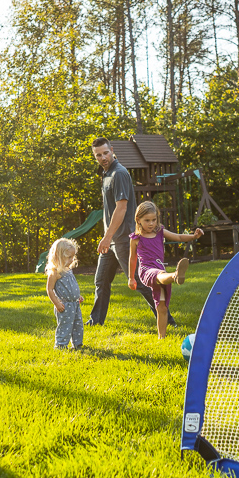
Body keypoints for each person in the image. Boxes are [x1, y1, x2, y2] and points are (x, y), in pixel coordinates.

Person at [86, 138, 176, 327]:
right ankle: (96, 321)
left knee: (141, 282)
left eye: (105, 153)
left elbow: (122, 208)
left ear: (112, 150)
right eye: (98, 155)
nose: (103, 157)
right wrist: (108, 238)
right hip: (112, 240)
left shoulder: (119, 173)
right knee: (101, 280)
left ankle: (168, 321)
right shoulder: (106, 174)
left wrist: (107, 236)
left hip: (124, 238)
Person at [128, 201, 204, 338]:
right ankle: (175, 275)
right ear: (138, 220)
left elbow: (179, 237)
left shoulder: (160, 232)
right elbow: (132, 258)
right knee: (159, 274)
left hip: (160, 270)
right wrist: (131, 278)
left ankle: (161, 337)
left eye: (154, 220)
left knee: (161, 307)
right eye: (147, 220)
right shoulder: (136, 238)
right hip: (146, 271)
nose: (151, 223)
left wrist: (194, 236)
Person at [45, 238, 85, 350]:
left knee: (78, 325)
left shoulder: (68, 269)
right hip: (64, 305)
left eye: (73, 257)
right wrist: (57, 303)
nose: (72, 260)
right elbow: (49, 289)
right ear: (58, 256)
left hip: (75, 304)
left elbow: (71, 285)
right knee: (65, 325)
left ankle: (78, 344)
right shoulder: (55, 272)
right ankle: (60, 345)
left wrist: (78, 296)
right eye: (69, 257)